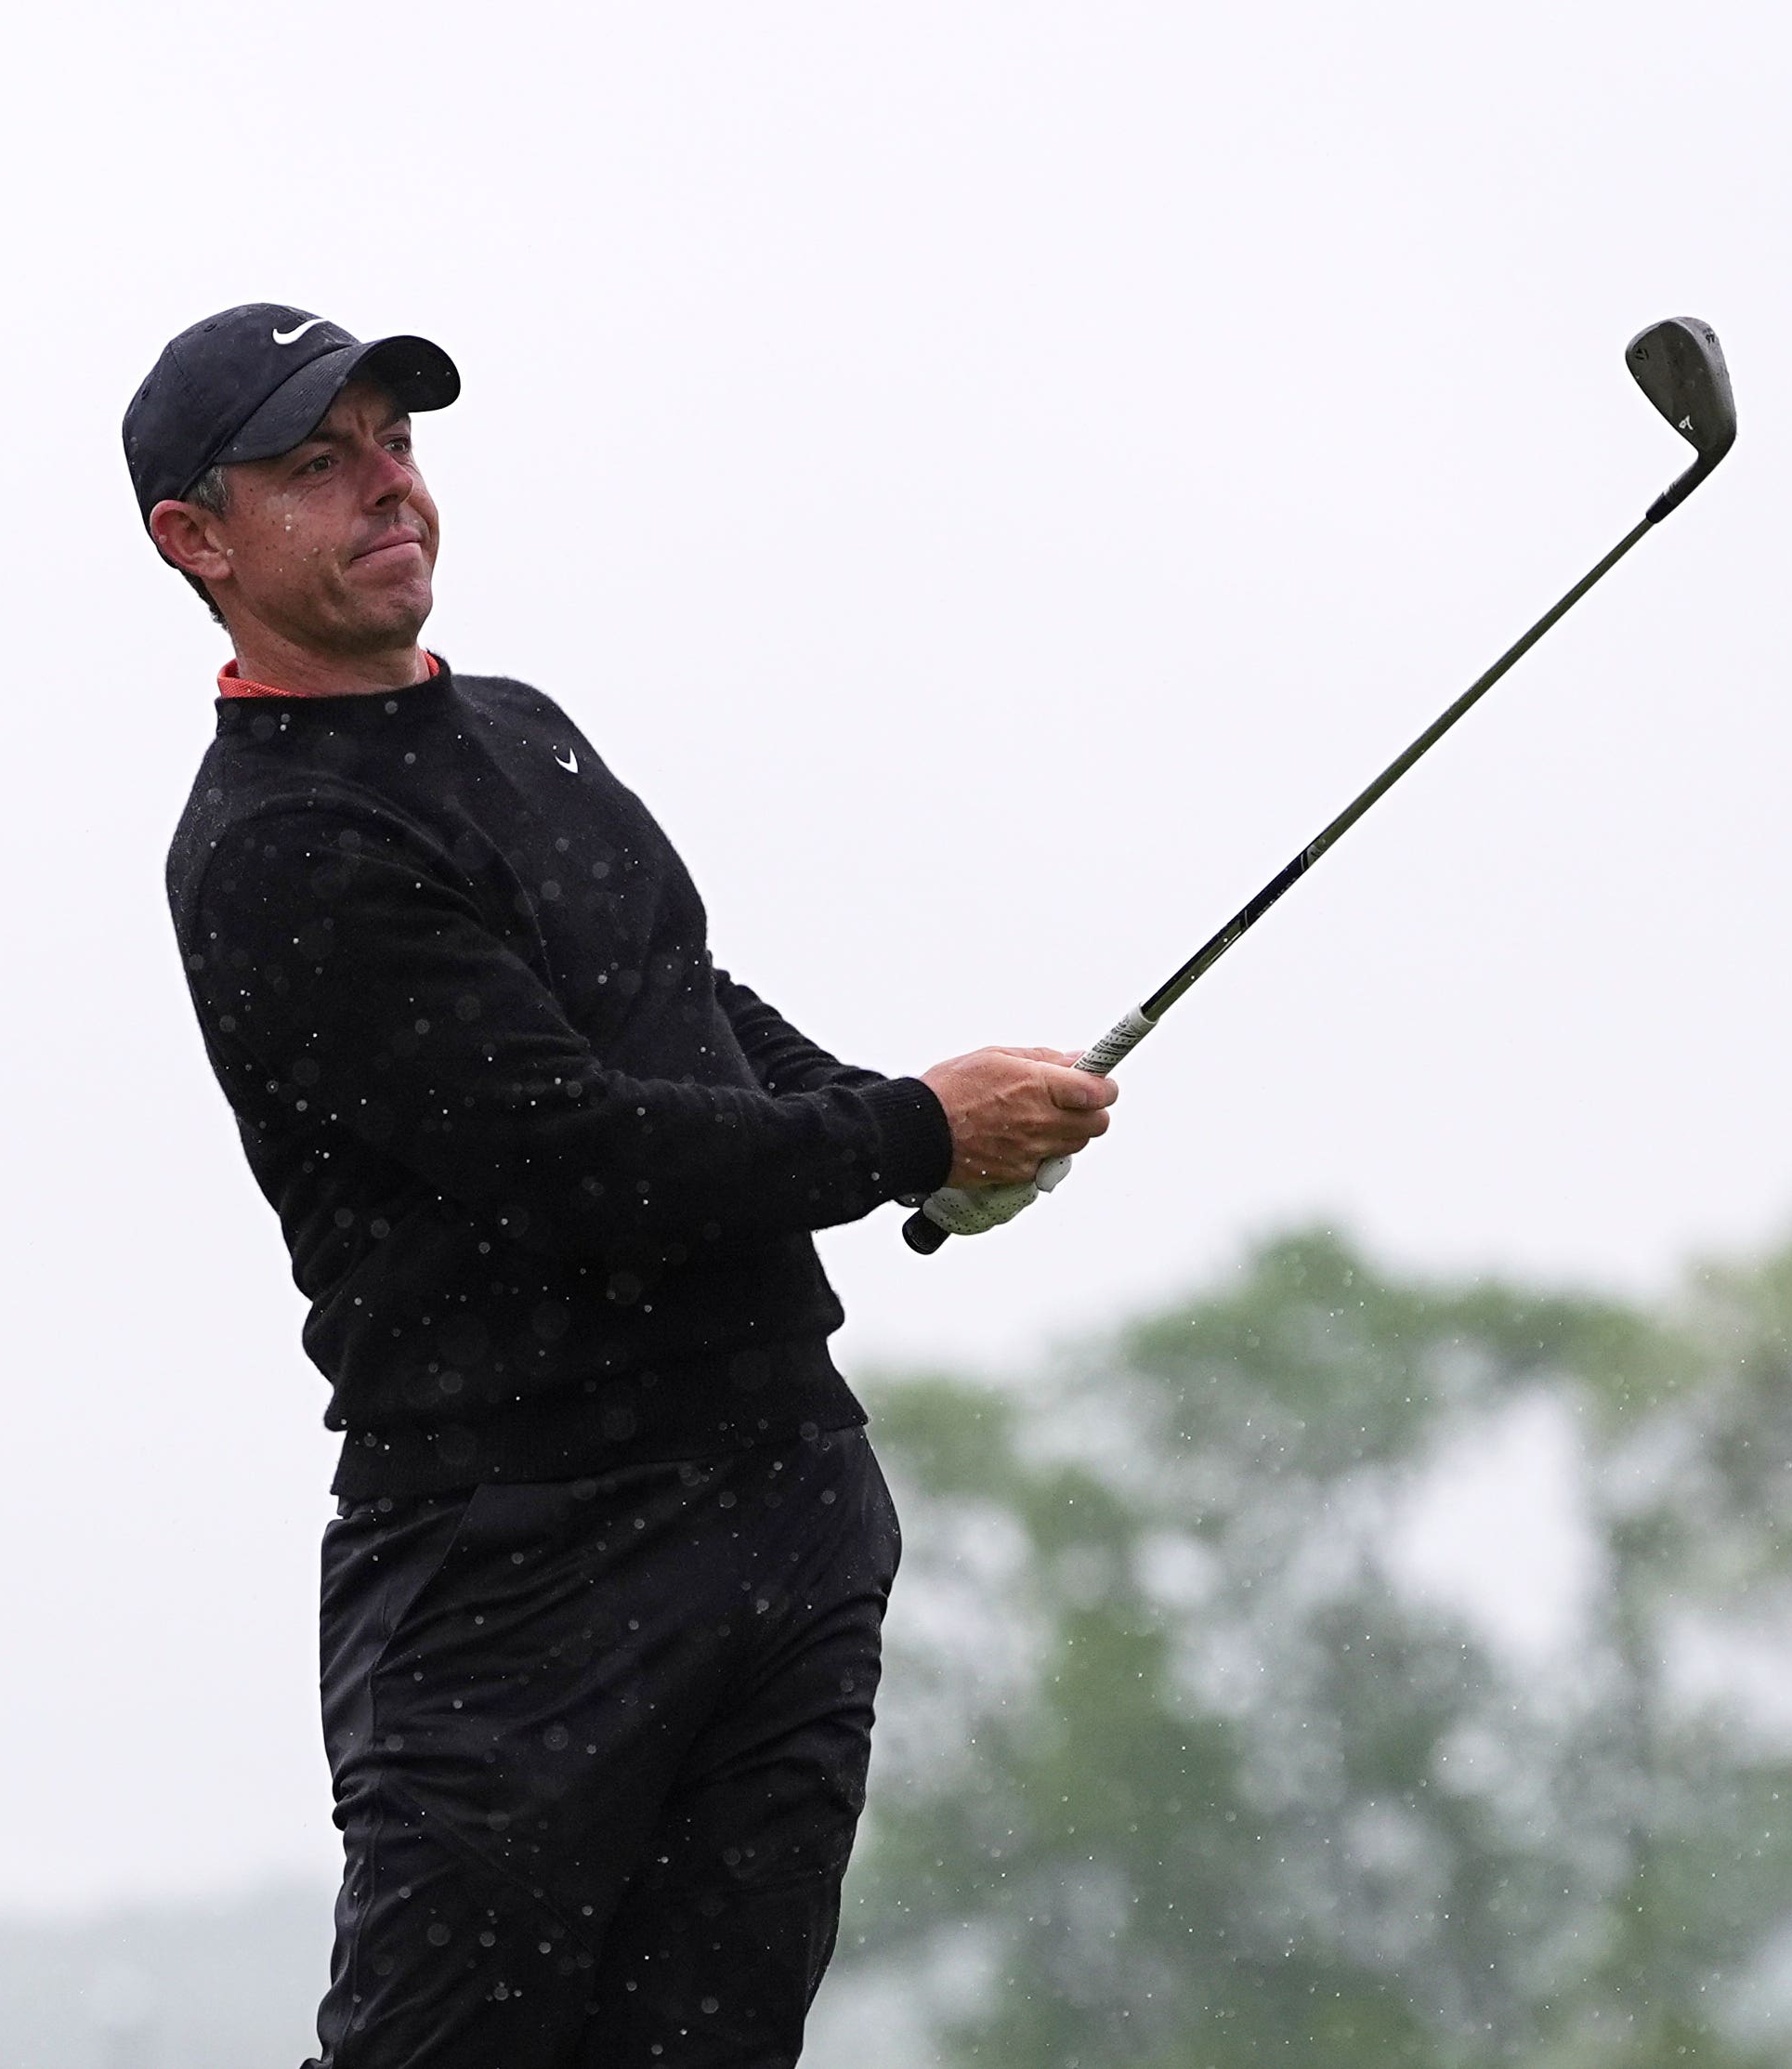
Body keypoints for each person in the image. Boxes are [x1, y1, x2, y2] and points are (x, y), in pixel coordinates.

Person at [123, 304, 1116, 2068]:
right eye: (314, 466)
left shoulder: (516, 726)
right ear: (195, 541)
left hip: (784, 1503)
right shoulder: (281, 847)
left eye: (395, 445)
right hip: (522, 1563)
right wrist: (903, 1135)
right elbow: (565, 1154)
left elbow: (680, 994)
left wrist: (923, 1132)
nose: (385, 492)